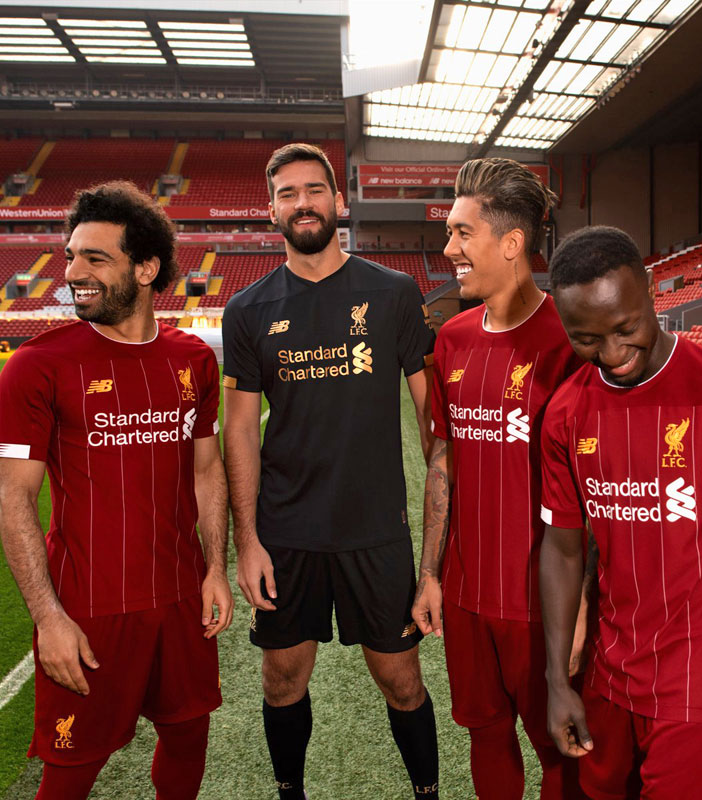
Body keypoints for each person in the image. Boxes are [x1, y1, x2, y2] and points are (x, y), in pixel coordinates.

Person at [539, 225, 702, 800]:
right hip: (607, 676)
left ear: (652, 292)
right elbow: (561, 548)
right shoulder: (564, 413)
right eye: (587, 339)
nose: (612, 355)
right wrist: (558, 680)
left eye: (625, 329)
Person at [0, 181, 233, 800]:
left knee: (188, 737)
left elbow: (206, 469)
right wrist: (48, 618)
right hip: (88, 609)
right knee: (70, 773)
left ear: (146, 268)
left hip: (182, 599)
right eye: (71, 255)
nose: (73, 272)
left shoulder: (192, 360)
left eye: (95, 258)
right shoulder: (37, 365)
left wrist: (215, 568)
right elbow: (13, 498)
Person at [222, 143, 439, 800]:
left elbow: (432, 421)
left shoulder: (393, 293)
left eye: (314, 189)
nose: (303, 203)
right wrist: (247, 540)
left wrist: (438, 543)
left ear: (338, 201)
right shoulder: (248, 310)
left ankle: (427, 793)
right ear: (271, 210)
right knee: (282, 681)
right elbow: (240, 430)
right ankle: (291, 792)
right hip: (286, 533)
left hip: (375, 529)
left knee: (402, 681)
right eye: (287, 194)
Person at [410, 157, 586, 800]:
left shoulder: (571, 341)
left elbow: (594, 488)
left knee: (559, 750)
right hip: (465, 595)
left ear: (512, 244)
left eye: (463, 233)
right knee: (485, 736)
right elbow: (442, 459)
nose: (448, 249)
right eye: (449, 232)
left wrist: (584, 605)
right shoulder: (453, 339)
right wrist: (430, 573)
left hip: (543, 602)